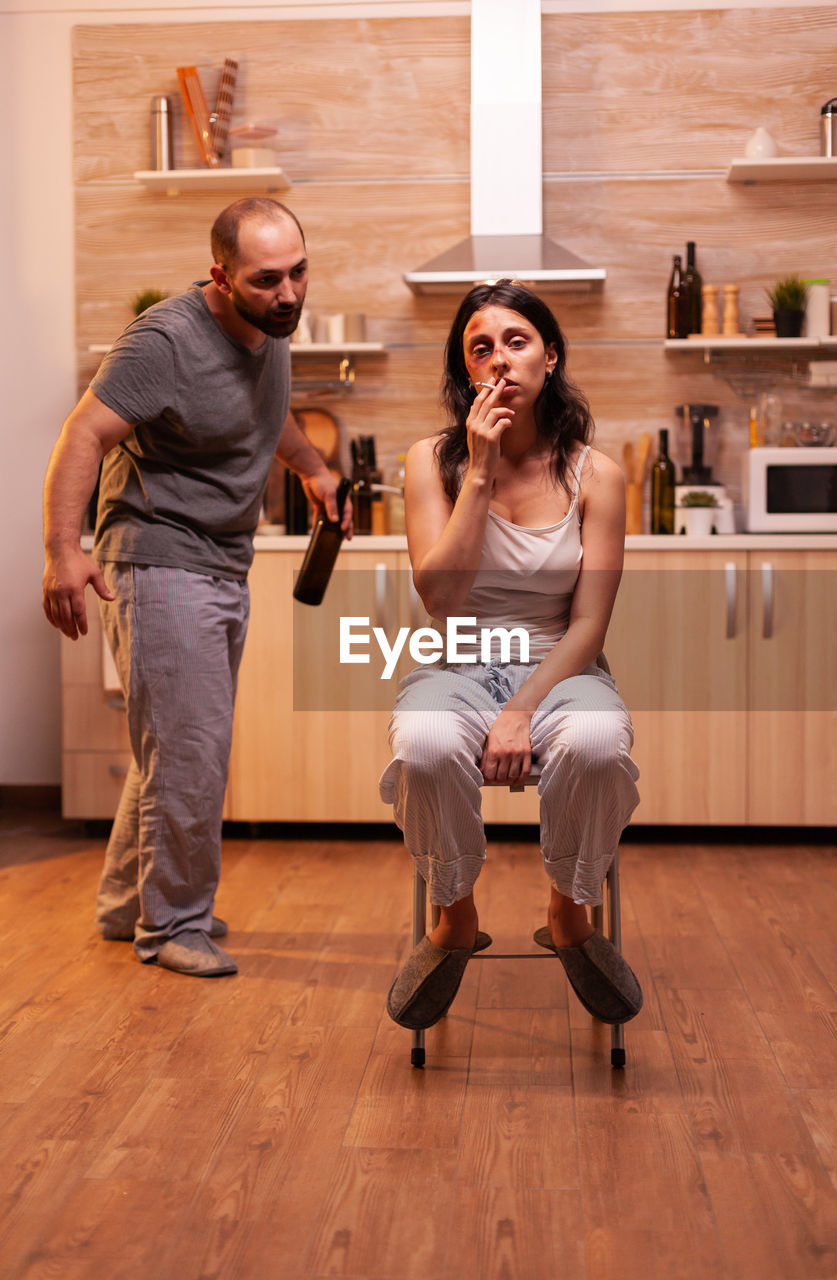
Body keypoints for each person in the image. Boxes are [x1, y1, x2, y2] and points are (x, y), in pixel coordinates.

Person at [42, 197, 348, 978]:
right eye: (267, 280)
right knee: (190, 752)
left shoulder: (271, 329)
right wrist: (61, 551)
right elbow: (83, 434)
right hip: (156, 555)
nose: (288, 294)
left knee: (169, 752)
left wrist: (310, 467)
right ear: (221, 276)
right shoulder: (165, 341)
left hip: (223, 558)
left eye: (299, 272)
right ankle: (171, 925)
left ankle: (126, 905)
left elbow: (264, 407)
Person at [380, 279, 642, 1031]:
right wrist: (481, 468)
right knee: (425, 745)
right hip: (457, 661)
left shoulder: (596, 474)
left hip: (562, 667)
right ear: (467, 372)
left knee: (594, 743)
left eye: (516, 341)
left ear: (550, 357)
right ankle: (453, 916)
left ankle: (568, 914)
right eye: (480, 348)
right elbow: (441, 600)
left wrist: (521, 710)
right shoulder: (431, 460)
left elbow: (589, 623)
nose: (499, 360)